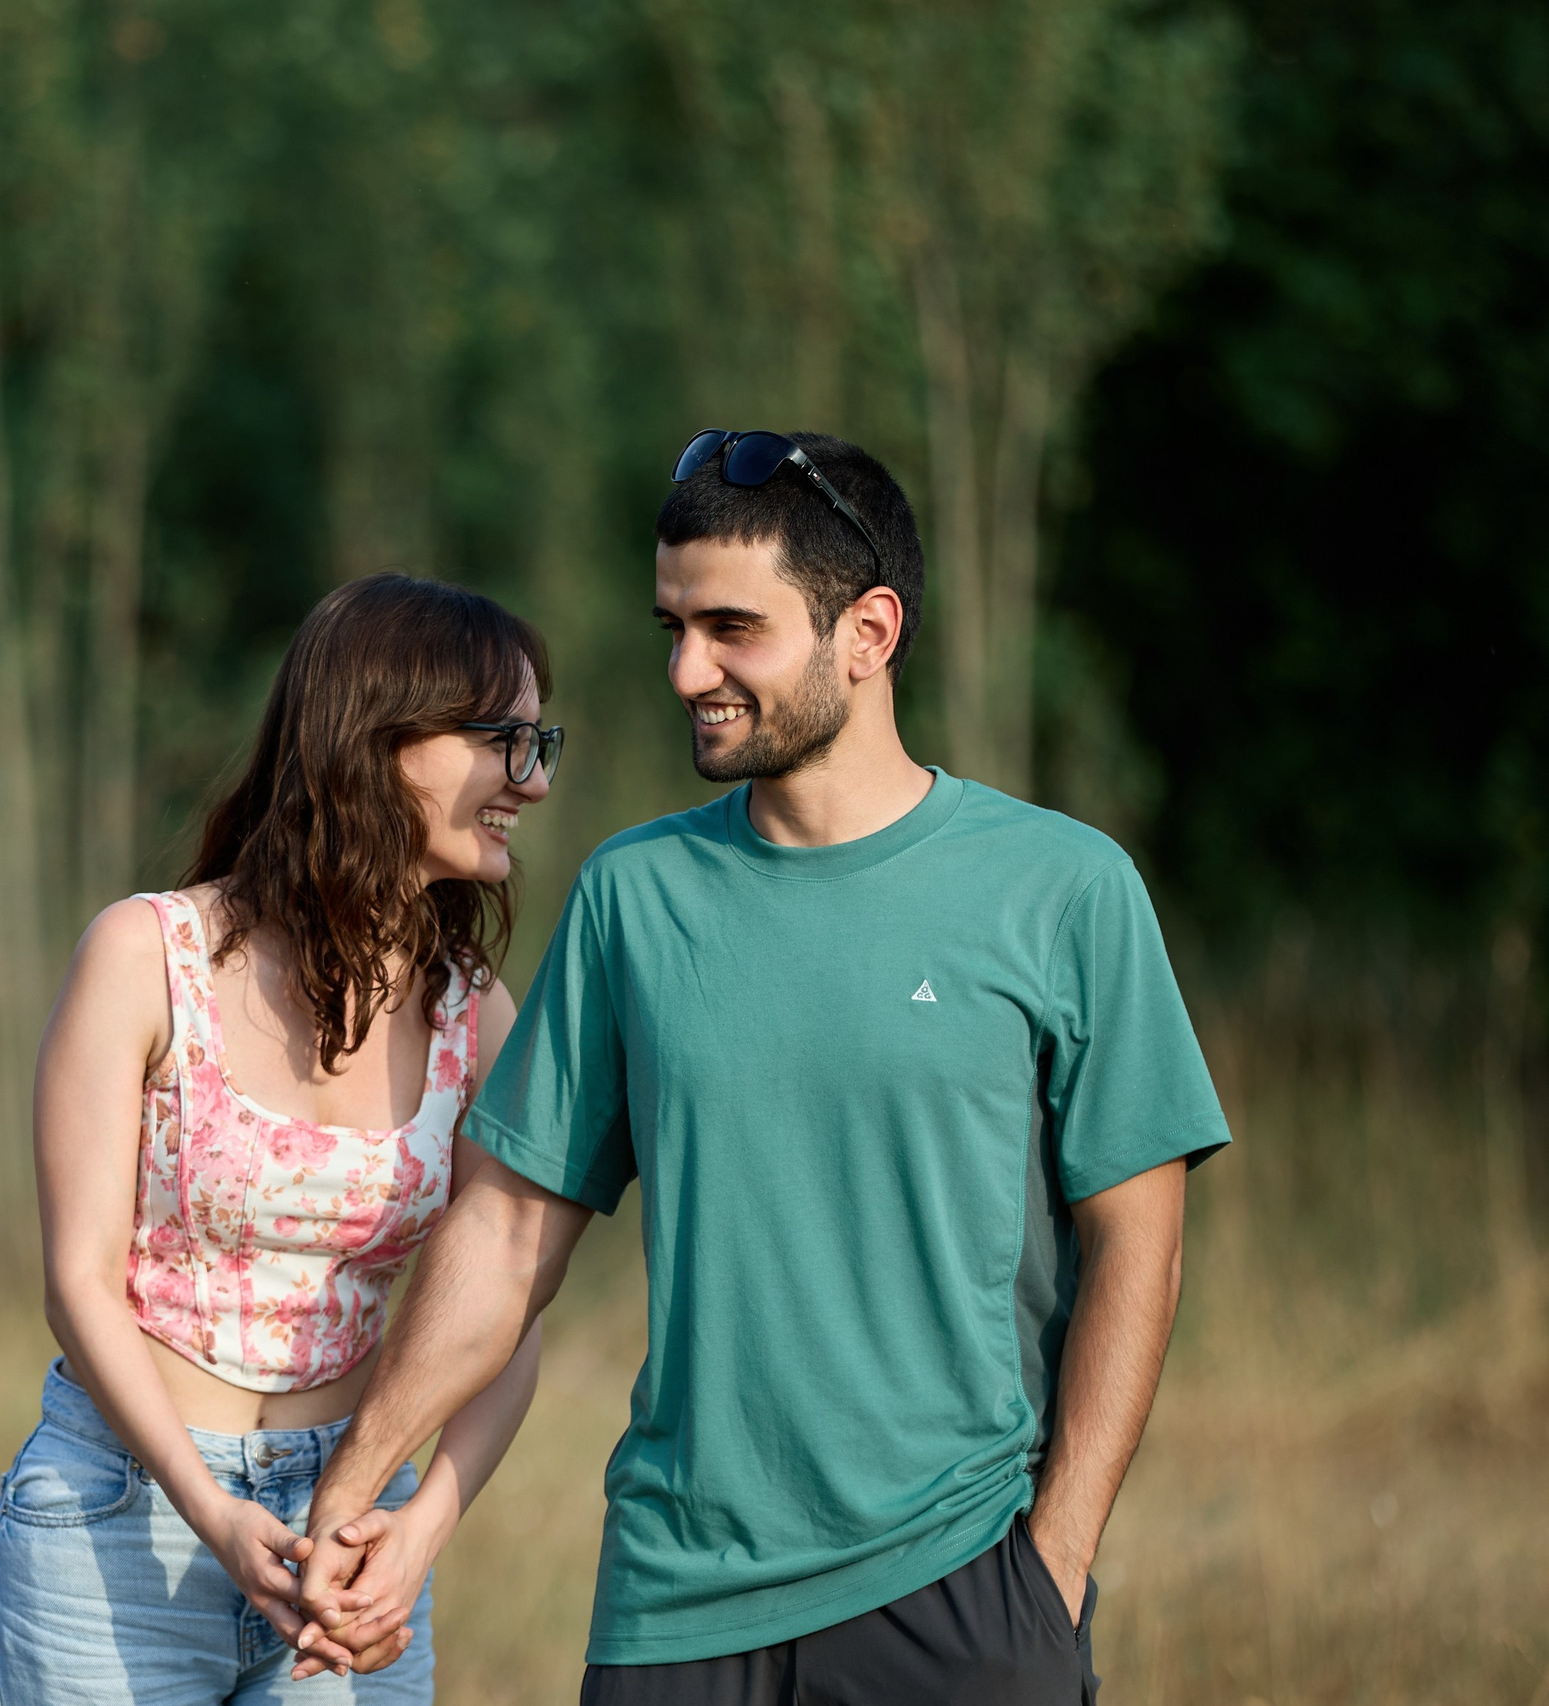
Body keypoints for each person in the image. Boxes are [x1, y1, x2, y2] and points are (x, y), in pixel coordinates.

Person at [297, 432, 1232, 1704]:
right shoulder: (635, 895)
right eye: (674, 627)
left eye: (732, 628)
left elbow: (1138, 1243)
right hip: (672, 1608)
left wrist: (1051, 1567)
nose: (688, 671)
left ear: (868, 631)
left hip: (961, 1587)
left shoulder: (1063, 889)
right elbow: (509, 1235)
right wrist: (353, 1485)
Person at [0, 573, 566, 1704]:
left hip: (348, 1539)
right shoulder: (146, 956)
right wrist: (212, 1510)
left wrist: (420, 1526)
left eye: (538, 744)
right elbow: (79, 1281)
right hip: (122, 1520)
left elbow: (506, 1307)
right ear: (379, 738)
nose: (531, 781)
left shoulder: (473, 1012)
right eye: (502, 741)